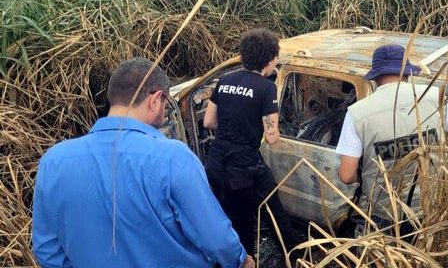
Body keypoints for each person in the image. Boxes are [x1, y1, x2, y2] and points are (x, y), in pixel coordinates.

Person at [32, 57, 254, 268]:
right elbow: (215, 238)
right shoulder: (174, 158)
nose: (166, 111)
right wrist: (240, 260)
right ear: (155, 99)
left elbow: (47, 251)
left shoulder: (53, 162)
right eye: (167, 103)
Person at [203, 29, 299, 263]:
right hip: (245, 166)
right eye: (276, 56)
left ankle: (238, 260)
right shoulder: (266, 88)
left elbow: (208, 121)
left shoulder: (225, 80)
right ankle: (295, 255)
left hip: (217, 163)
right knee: (274, 214)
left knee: (234, 218)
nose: (277, 60)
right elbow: (272, 136)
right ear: (269, 59)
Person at [335, 44, 448, 223]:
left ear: (375, 77)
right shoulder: (436, 97)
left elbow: (346, 175)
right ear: (409, 73)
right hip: (434, 208)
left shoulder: (357, 113)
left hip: (384, 214)